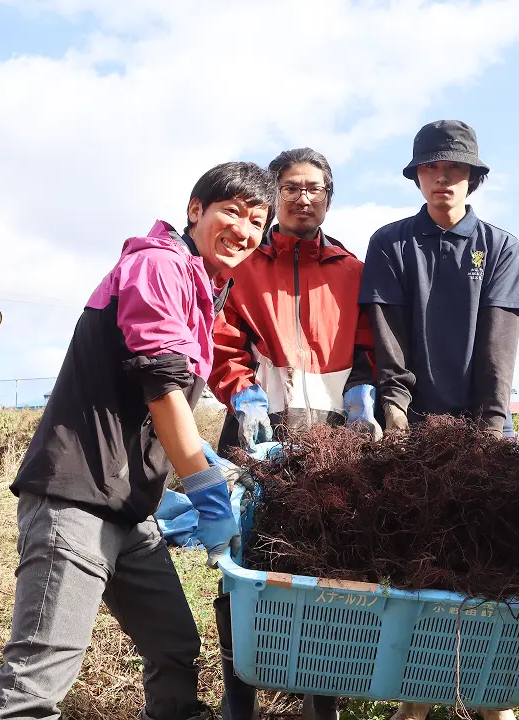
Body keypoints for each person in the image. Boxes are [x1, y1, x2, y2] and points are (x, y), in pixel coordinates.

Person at [0, 162, 275, 720]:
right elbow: (161, 386)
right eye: (232, 211)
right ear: (196, 210)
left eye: (256, 222)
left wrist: (195, 461)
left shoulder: (198, 288)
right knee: (40, 674)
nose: (243, 229)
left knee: (173, 648)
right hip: (76, 497)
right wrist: (205, 483)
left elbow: (149, 407)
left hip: (130, 509)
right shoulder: (157, 265)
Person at [355, 120, 519, 720]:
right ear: (418, 176)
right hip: (412, 429)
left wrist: (491, 432)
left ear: (472, 177)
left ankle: (488, 694)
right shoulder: (392, 242)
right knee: (416, 561)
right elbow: (389, 337)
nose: (442, 178)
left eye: (453, 169)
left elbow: (498, 348)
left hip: (477, 428)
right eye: (431, 168)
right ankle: (416, 694)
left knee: (483, 561)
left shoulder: (500, 247)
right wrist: (395, 411)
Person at [209, 147, 378, 720]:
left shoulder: (355, 271)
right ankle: (240, 701)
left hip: (334, 444)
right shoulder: (244, 265)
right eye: (291, 187)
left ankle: (319, 703)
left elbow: (369, 347)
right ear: (274, 194)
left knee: (327, 569)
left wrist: (363, 391)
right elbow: (221, 339)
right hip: (258, 437)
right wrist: (242, 392)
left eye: (315, 188)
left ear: (329, 197)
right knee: (244, 566)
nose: (303, 197)